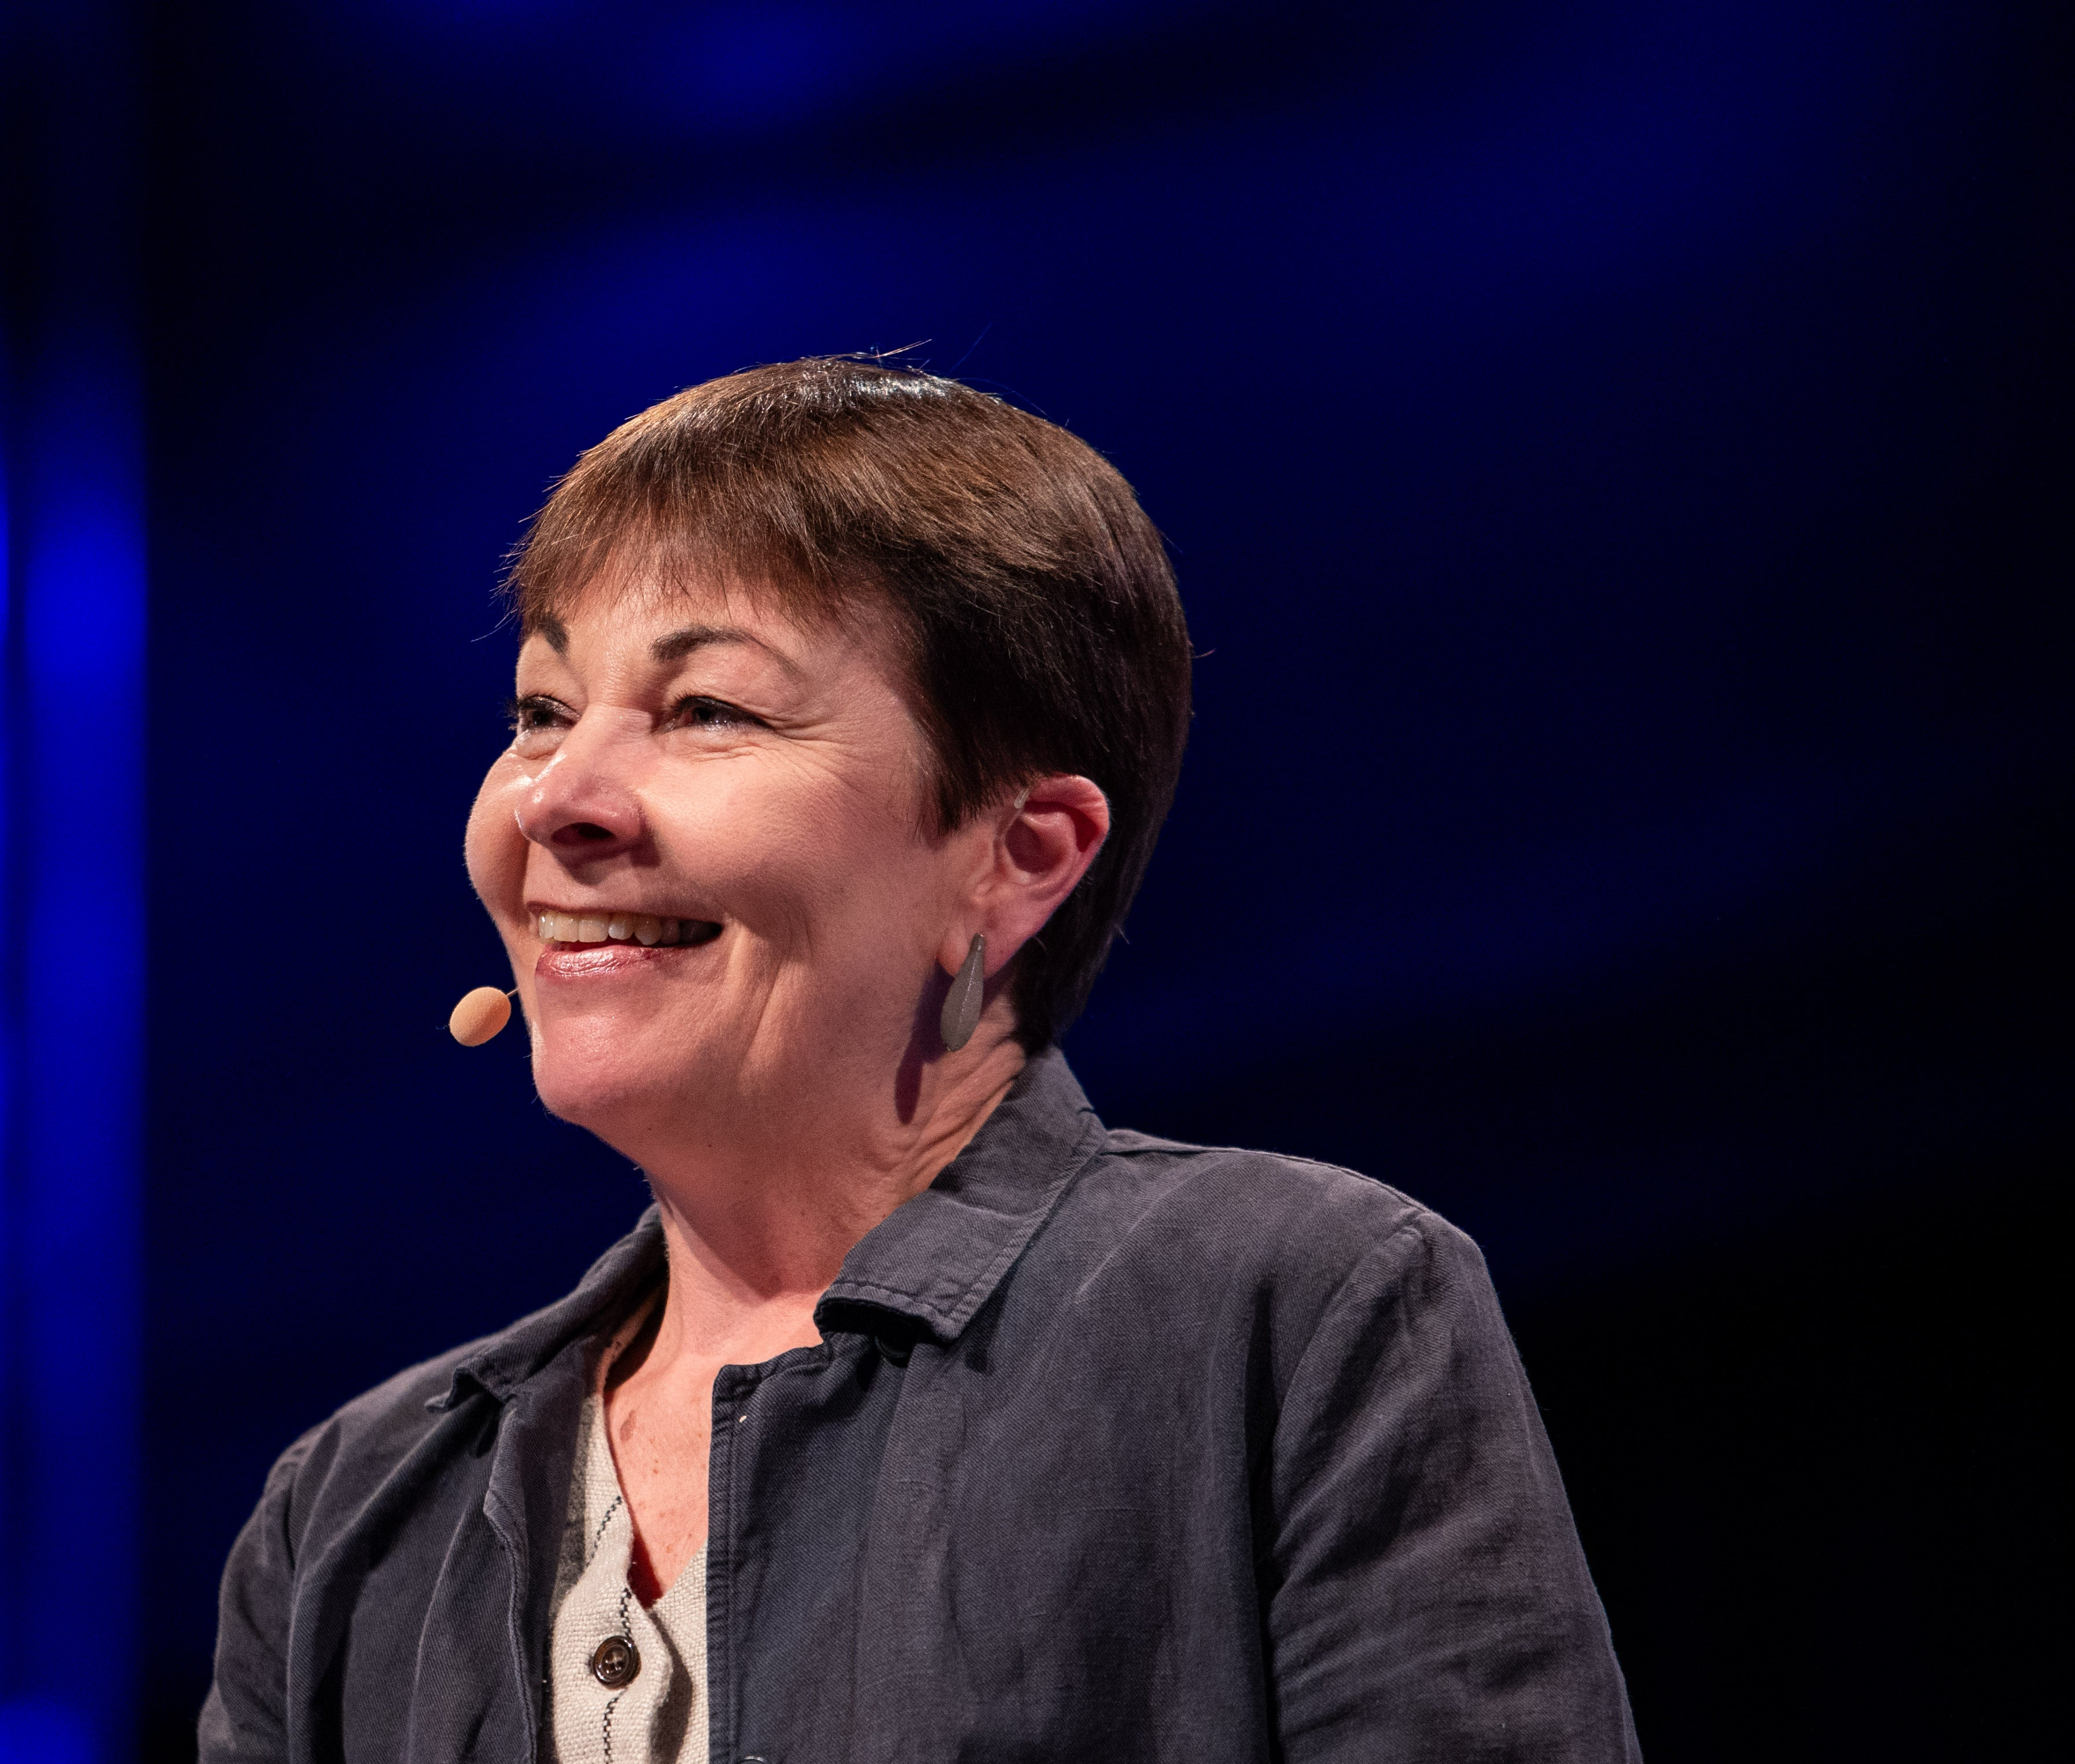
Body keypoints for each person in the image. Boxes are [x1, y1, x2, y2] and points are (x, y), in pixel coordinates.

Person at [200, 358, 1639, 1763]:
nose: (558, 801)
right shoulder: (355, 1512)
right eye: (541, 712)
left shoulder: (1287, 1308)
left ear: (1016, 858)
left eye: (708, 710)